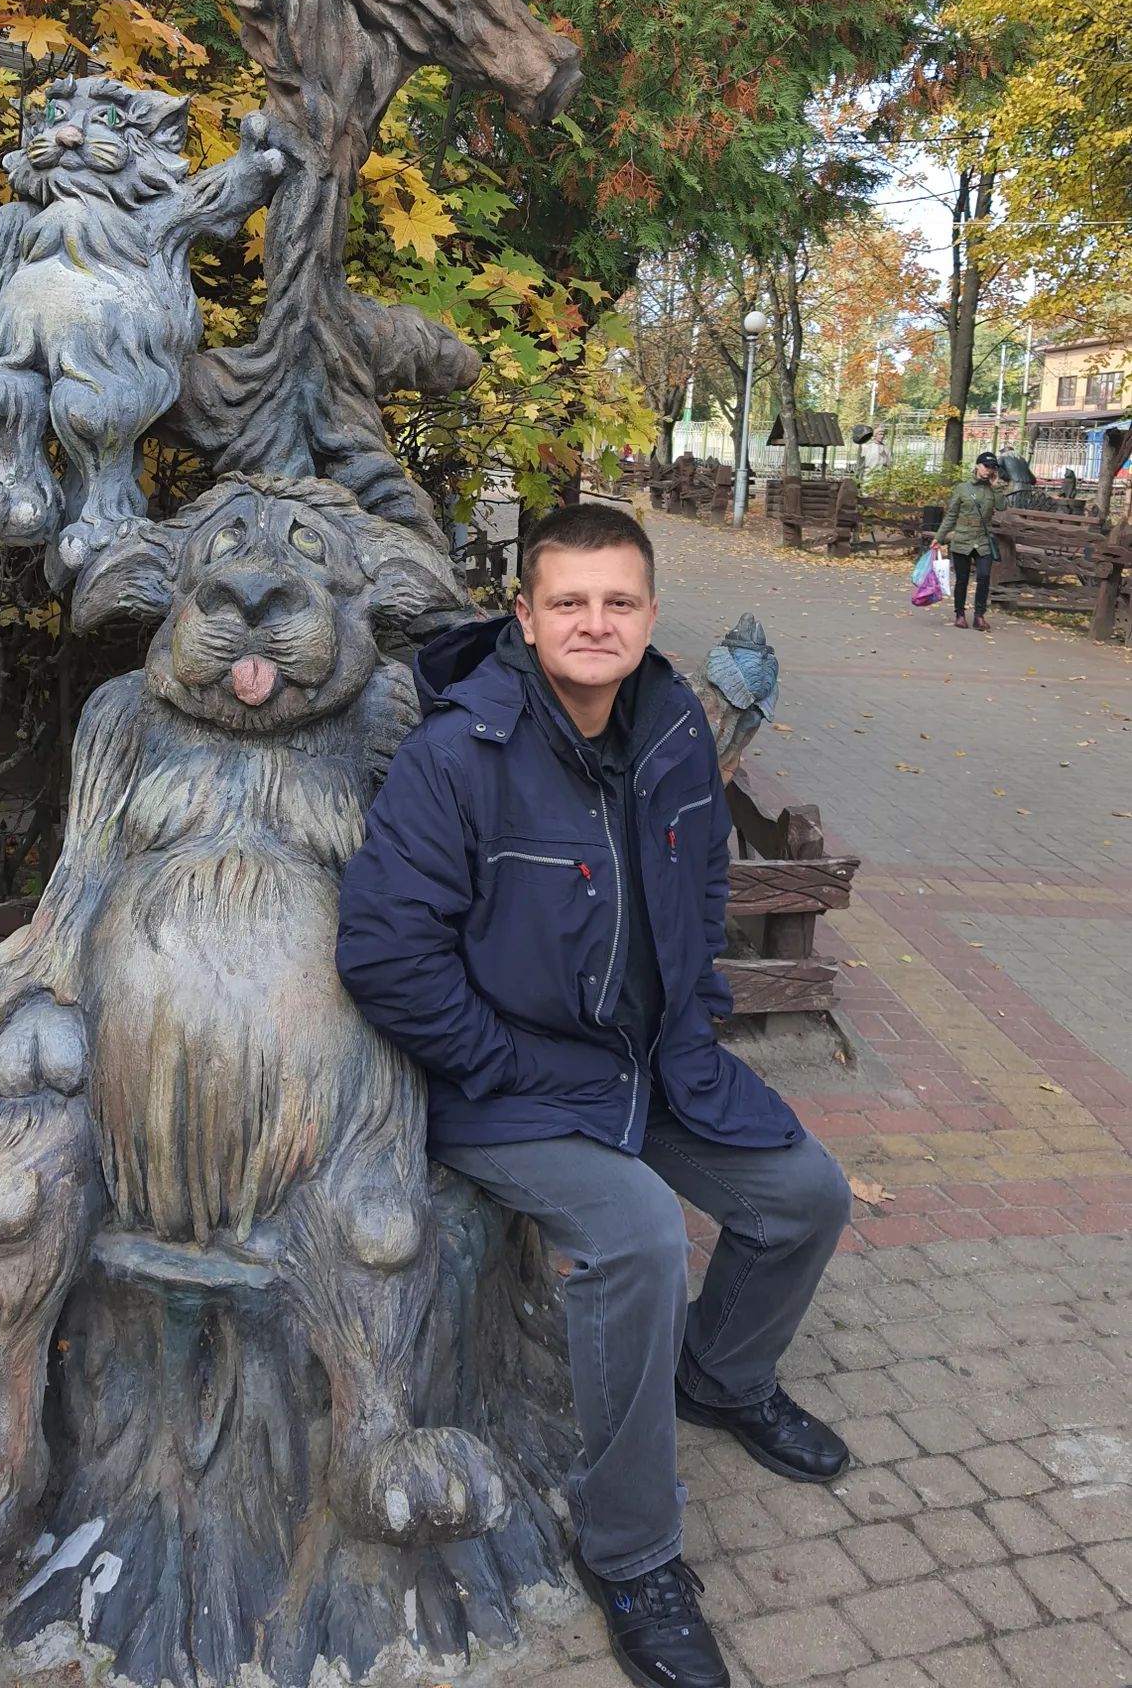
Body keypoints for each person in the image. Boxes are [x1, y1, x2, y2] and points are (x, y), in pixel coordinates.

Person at [335, 503, 851, 1688]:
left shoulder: (673, 730)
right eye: (568, 600)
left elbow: (699, 888)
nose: (594, 622)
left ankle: (720, 1377)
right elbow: (385, 952)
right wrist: (501, 1061)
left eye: (619, 601)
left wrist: (695, 1018)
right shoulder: (457, 755)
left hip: (653, 1061)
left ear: (652, 613)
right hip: (508, 1085)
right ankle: (632, 1549)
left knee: (806, 1194)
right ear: (524, 615)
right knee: (639, 1237)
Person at [934, 450, 1006, 630]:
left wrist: (996, 487)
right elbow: (951, 515)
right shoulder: (962, 488)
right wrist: (939, 538)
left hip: (983, 540)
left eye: (992, 467)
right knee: (962, 579)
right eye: (986, 466)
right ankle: (959, 614)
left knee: (984, 576)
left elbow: (1002, 506)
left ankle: (979, 616)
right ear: (977, 466)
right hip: (963, 539)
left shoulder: (993, 488)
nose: (988, 470)